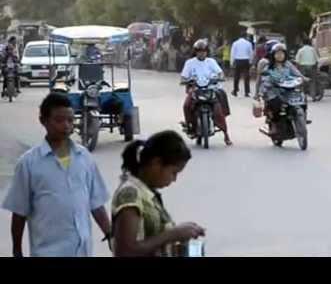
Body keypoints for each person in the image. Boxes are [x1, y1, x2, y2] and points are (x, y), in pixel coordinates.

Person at [1, 93, 111, 257]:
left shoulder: (84, 158)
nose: (66, 126)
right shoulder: (29, 163)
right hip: (48, 251)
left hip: (82, 251)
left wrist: (110, 234)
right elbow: (19, 213)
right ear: (43, 121)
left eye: (70, 120)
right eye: (59, 120)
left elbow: (96, 203)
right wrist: (17, 250)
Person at [111, 131, 205, 257]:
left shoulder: (147, 192)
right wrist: (173, 234)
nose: (174, 179)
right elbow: (125, 251)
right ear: (156, 163)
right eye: (173, 172)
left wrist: (182, 231)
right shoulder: (130, 194)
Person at [180, 39, 232, 146]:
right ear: (195, 52)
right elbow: (183, 77)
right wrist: (186, 81)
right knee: (186, 106)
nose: (201, 53)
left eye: (203, 51)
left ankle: (226, 135)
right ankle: (190, 125)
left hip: (210, 89)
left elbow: (220, 73)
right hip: (195, 90)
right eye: (199, 51)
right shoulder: (189, 63)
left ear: (207, 51)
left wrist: (219, 78)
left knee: (218, 111)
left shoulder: (211, 62)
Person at [259, 42, 307, 135]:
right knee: (276, 104)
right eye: (277, 54)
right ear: (273, 55)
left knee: (302, 99)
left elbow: (297, 73)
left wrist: (303, 78)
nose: (280, 56)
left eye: (282, 53)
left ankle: (300, 118)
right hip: (274, 90)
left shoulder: (288, 64)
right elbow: (264, 77)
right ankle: (274, 124)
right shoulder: (269, 66)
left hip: (288, 89)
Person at [230, 33, 253, 97]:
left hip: (238, 60)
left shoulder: (235, 43)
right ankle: (247, 92)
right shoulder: (248, 43)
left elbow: (232, 53)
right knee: (246, 77)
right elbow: (251, 53)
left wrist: (231, 62)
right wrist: (251, 61)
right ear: (245, 36)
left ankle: (235, 91)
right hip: (246, 60)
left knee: (236, 76)